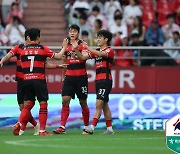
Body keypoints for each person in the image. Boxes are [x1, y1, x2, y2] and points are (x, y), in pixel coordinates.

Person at [0, 29, 68, 135]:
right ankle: (42, 130)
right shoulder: (42, 49)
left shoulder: (22, 50)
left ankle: (19, 122)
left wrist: (2, 61)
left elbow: (21, 64)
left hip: (26, 79)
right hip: (39, 80)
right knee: (43, 103)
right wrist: (64, 47)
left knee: (29, 104)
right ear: (37, 38)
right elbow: (59, 56)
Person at [73, 30, 114, 134]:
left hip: (106, 80)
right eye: (98, 37)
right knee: (104, 104)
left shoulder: (109, 50)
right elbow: (82, 57)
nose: (98, 39)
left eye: (100, 37)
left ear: (106, 39)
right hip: (98, 80)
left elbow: (101, 53)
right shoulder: (96, 51)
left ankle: (91, 127)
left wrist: (87, 47)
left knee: (99, 103)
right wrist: (77, 50)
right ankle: (110, 129)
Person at [53, 24, 90, 135]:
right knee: (65, 100)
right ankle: (62, 126)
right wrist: (63, 76)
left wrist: (76, 50)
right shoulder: (66, 45)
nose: (72, 33)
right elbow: (64, 61)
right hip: (69, 77)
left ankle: (86, 127)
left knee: (83, 102)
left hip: (81, 78)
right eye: (70, 31)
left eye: (74, 31)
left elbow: (83, 58)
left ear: (78, 33)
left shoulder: (83, 44)